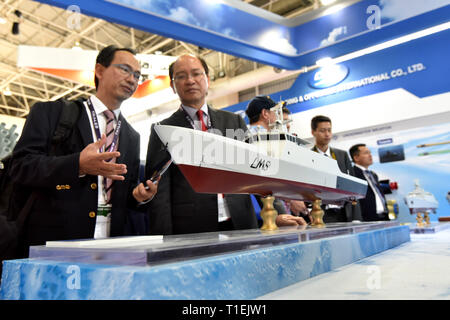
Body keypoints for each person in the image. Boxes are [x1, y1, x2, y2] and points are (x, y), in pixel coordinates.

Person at [7, 45, 157, 257]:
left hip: (110, 246)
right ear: (99, 70)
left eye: (137, 75)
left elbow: (125, 191)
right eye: (124, 69)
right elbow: (21, 167)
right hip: (53, 245)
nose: (132, 79)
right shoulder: (52, 113)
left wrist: (138, 196)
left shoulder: (132, 136)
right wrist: (77, 164)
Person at [145, 54, 258, 235]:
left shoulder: (234, 122)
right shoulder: (162, 130)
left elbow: (257, 170)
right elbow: (160, 192)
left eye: (196, 74)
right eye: (181, 76)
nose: (190, 81)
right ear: (173, 86)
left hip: (240, 221)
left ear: (207, 80)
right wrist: (164, 241)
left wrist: (276, 212)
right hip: (192, 228)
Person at [245, 95, 307, 226]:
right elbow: (265, 182)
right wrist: (287, 201)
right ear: (265, 114)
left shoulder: (252, 138)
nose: (278, 117)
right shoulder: (262, 140)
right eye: (276, 112)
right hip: (267, 214)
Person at [310, 115, 362, 222]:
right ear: (313, 132)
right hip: (321, 213)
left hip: (345, 212)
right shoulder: (308, 156)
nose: (327, 134)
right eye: (322, 131)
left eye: (329, 130)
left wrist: (356, 217)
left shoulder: (342, 155)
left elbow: (353, 186)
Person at [349, 144, 389, 221]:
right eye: (366, 153)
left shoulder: (373, 175)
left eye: (370, 153)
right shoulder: (352, 174)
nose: (370, 155)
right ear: (356, 157)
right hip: (367, 218)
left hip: (383, 216)